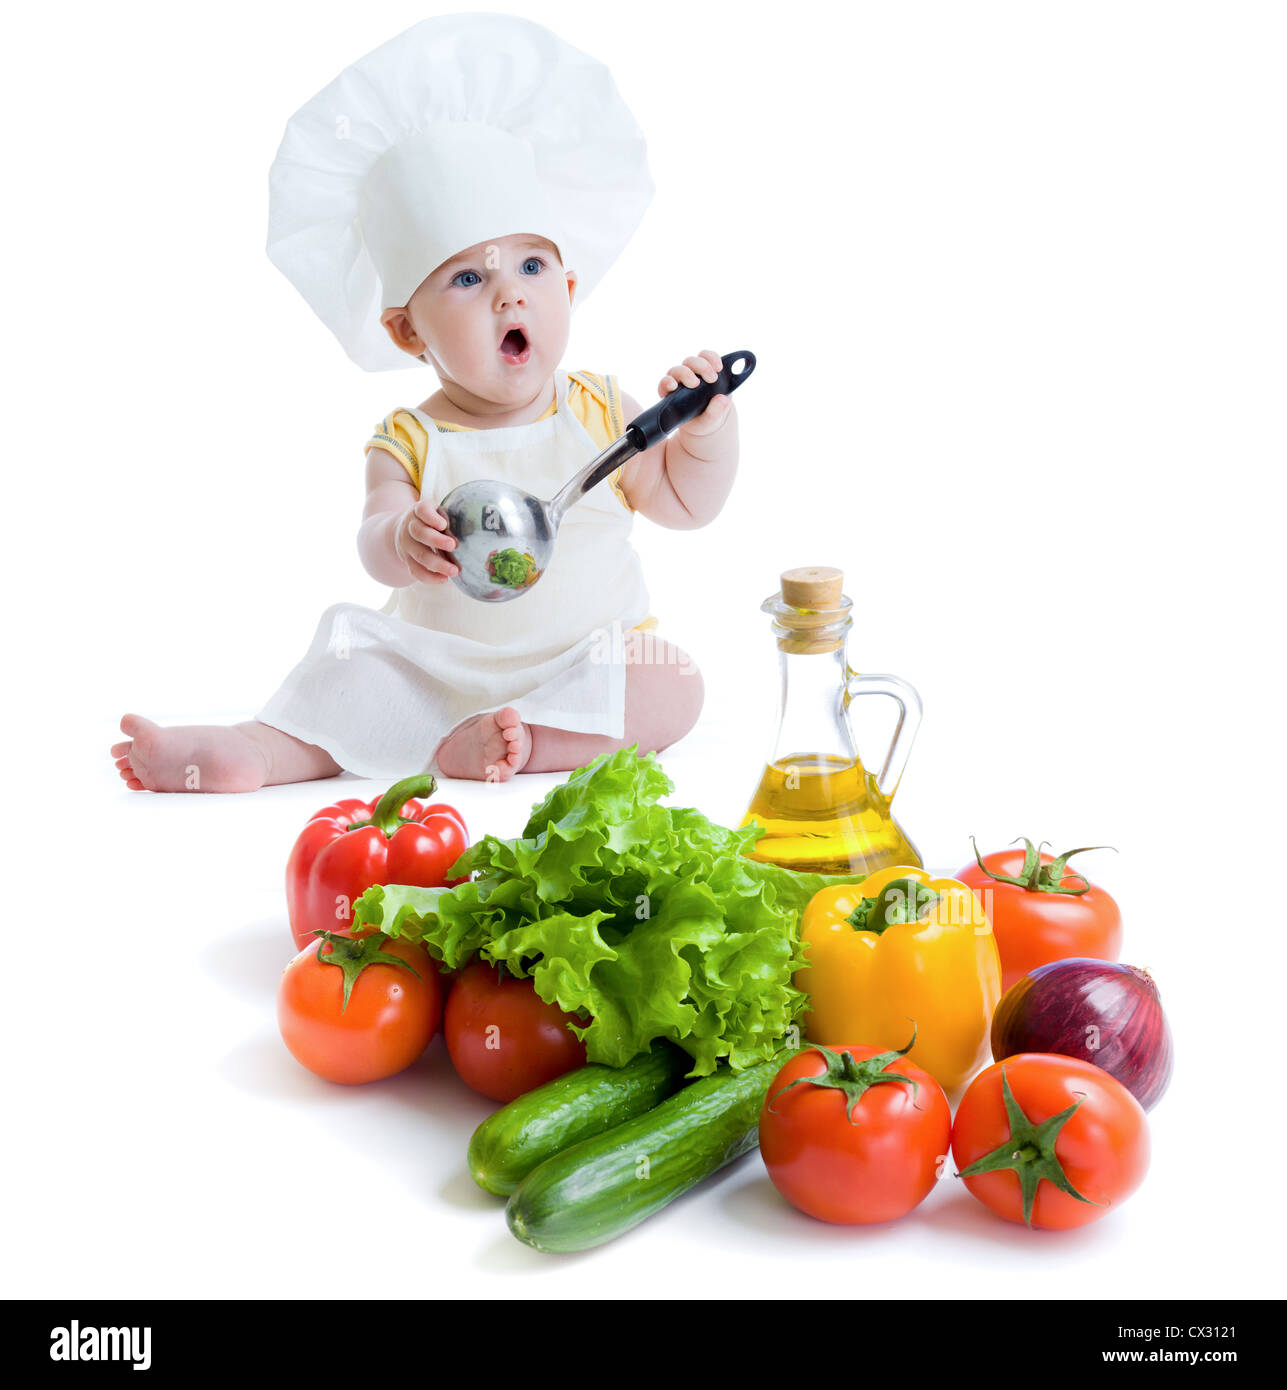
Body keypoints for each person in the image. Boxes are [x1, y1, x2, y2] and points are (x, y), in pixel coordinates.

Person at [113, 14, 739, 792]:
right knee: (350, 674)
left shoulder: (603, 412)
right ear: (408, 332)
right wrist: (400, 539)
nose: (510, 290)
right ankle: (263, 749)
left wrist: (707, 431)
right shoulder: (408, 438)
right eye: (468, 280)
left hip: (585, 660)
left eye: (534, 265)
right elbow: (374, 534)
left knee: (672, 681)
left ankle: (526, 738)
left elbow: (684, 501)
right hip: (432, 668)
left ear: (570, 289)